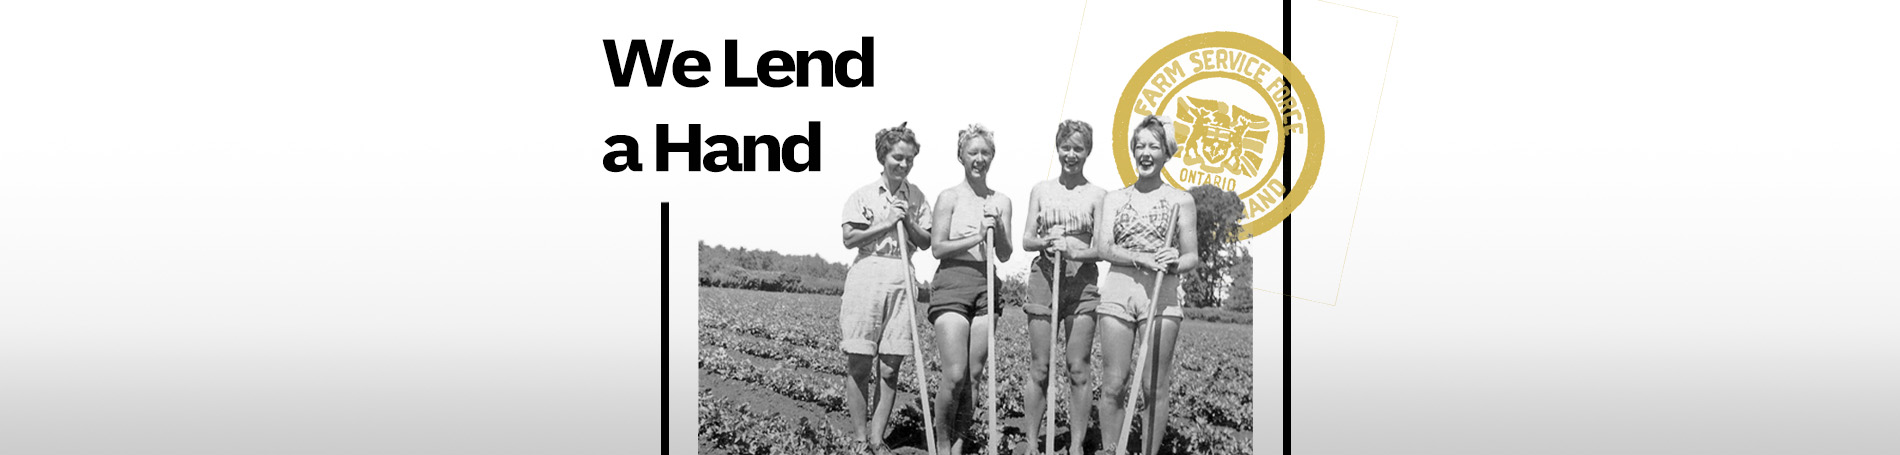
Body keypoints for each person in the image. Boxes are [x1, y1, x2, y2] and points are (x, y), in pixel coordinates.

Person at [1092, 115, 1201, 455]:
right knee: (1113, 383)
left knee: (1154, 386)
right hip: (1118, 290)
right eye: (1139, 145)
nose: (1145, 152)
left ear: (1166, 152)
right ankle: (1113, 449)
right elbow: (1104, 248)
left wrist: (1172, 260)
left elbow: (1191, 257)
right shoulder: (1113, 198)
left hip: (1161, 292)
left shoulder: (1181, 200)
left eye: (1153, 145)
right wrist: (1143, 259)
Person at [838, 123, 932, 455]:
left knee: (891, 368)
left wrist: (907, 221)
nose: (903, 165)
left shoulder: (917, 196)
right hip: (867, 274)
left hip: (902, 277)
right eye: (897, 158)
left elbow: (927, 242)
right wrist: (886, 222)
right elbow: (849, 238)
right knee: (860, 363)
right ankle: (860, 439)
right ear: (883, 156)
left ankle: (878, 439)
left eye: (909, 159)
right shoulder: (863, 195)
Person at [1019, 120, 1108, 455]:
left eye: (1078, 148)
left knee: (1077, 367)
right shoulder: (1041, 190)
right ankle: (1030, 442)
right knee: (1040, 365)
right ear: (1057, 149)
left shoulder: (1099, 195)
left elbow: (1102, 247)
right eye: (1065, 147)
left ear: (1088, 151)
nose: (1071, 154)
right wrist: (1046, 241)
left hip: (1082, 280)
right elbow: (1027, 239)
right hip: (1044, 276)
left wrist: (1074, 251)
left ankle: (1074, 446)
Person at [928, 124, 1014, 455]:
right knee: (954, 373)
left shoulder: (1001, 200)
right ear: (961, 156)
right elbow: (937, 247)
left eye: (985, 153)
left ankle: (960, 444)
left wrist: (998, 227)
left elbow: (1004, 254)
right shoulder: (949, 197)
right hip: (951, 282)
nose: (979, 159)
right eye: (973, 152)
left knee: (974, 376)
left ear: (992, 157)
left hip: (986, 285)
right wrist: (978, 236)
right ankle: (943, 442)